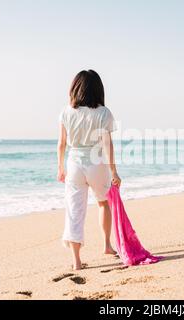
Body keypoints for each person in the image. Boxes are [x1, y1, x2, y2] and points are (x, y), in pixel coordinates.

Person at [57, 70, 121, 270]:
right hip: (97, 164)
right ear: (98, 89)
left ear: (75, 88)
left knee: (74, 211)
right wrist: (114, 171)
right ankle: (107, 246)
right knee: (103, 203)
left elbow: (61, 144)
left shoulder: (67, 111)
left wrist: (60, 167)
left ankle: (76, 260)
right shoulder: (103, 112)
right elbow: (107, 144)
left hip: (74, 164)